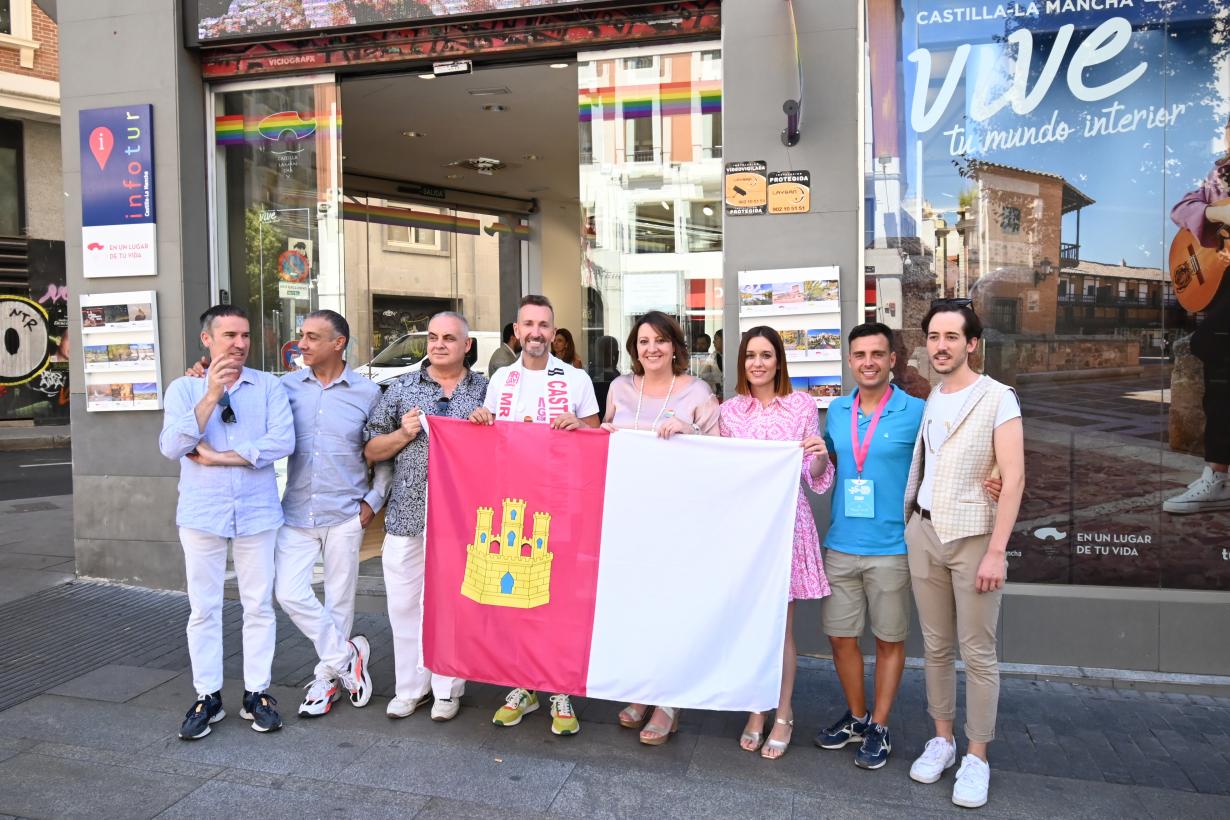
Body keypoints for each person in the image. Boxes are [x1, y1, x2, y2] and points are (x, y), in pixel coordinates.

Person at [904, 301, 1025, 809]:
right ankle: (943, 740)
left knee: (977, 652)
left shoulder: (999, 398)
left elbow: (1014, 477)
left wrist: (997, 551)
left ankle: (977, 757)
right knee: (934, 647)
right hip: (925, 533)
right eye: (934, 336)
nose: (941, 345)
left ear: (972, 343)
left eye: (952, 336)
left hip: (975, 538)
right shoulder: (933, 395)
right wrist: (911, 519)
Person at [159, 305, 295, 740]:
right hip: (202, 513)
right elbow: (172, 445)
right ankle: (208, 696)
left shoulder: (268, 386)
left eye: (245, 336)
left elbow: (281, 442)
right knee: (204, 608)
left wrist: (217, 457)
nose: (239, 344)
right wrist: (211, 395)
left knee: (258, 605)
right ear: (207, 340)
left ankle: (258, 693)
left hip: (257, 512)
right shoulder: (183, 389)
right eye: (230, 335)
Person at [469, 294, 601, 735]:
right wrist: (481, 419)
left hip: (559, 505)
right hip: (513, 506)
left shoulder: (576, 379)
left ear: (553, 330)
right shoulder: (501, 379)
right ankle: (523, 684)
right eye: (529, 324)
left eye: (544, 325)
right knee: (516, 599)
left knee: (559, 596)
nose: (536, 333)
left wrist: (580, 428)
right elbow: (489, 443)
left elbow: (596, 438)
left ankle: (559, 686)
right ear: (517, 331)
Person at [603, 311, 719, 746]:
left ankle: (668, 701)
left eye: (660, 341)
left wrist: (689, 432)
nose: (651, 349)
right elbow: (601, 438)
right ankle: (642, 688)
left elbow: (719, 453)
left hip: (677, 519)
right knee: (635, 607)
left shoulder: (697, 391)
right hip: (626, 516)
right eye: (643, 341)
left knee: (671, 607)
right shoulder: (618, 388)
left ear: (675, 346)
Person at [366, 311, 489, 721]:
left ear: (466, 345)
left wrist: (488, 427)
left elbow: (507, 451)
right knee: (404, 604)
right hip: (407, 514)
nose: (438, 344)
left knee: (453, 604)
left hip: (464, 520)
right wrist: (403, 434)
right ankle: (410, 687)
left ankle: (447, 689)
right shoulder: (399, 388)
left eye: (449, 338)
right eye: (433, 337)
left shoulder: (488, 391)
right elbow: (371, 449)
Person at [718, 326, 833, 760]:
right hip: (744, 530)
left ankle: (782, 711)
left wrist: (820, 456)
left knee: (780, 628)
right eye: (750, 355)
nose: (758, 363)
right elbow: (724, 472)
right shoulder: (729, 412)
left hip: (785, 525)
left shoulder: (801, 405)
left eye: (766, 355)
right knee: (749, 625)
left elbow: (813, 476)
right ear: (742, 361)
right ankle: (755, 710)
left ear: (779, 360)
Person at [814, 322, 924, 770]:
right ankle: (857, 717)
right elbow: (825, 466)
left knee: (888, 639)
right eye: (859, 355)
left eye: (877, 354)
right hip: (841, 543)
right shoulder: (837, 411)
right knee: (840, 637)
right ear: (850, 360)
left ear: (892, 359)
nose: (868, 363)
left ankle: (879, 724)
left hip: (892, 547)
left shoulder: (916, 411)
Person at [274, 310, 391, 718]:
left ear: (338, 343)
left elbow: (383, 456)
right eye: (301, 335)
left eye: (311, 337)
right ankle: (347, 656)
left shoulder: (368, 393)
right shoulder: (284, 388)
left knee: (340, 601)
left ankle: (325, 682)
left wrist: (371, 503)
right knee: (288, 592)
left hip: (346, 513)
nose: (301, 344)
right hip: (296, 512)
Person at [1164, 115, 1230, 514]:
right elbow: (1183, 207)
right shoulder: (1221, 175)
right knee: (1214, 350)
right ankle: (1218, 476)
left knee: (1214, 345)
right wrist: (1216, 215)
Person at [699, 328, 724, 399]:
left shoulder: (734, 356)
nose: (713, 342)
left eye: (716, 339)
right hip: (716, 395)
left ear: (724, 339)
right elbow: (702, 375)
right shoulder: (712, 357)